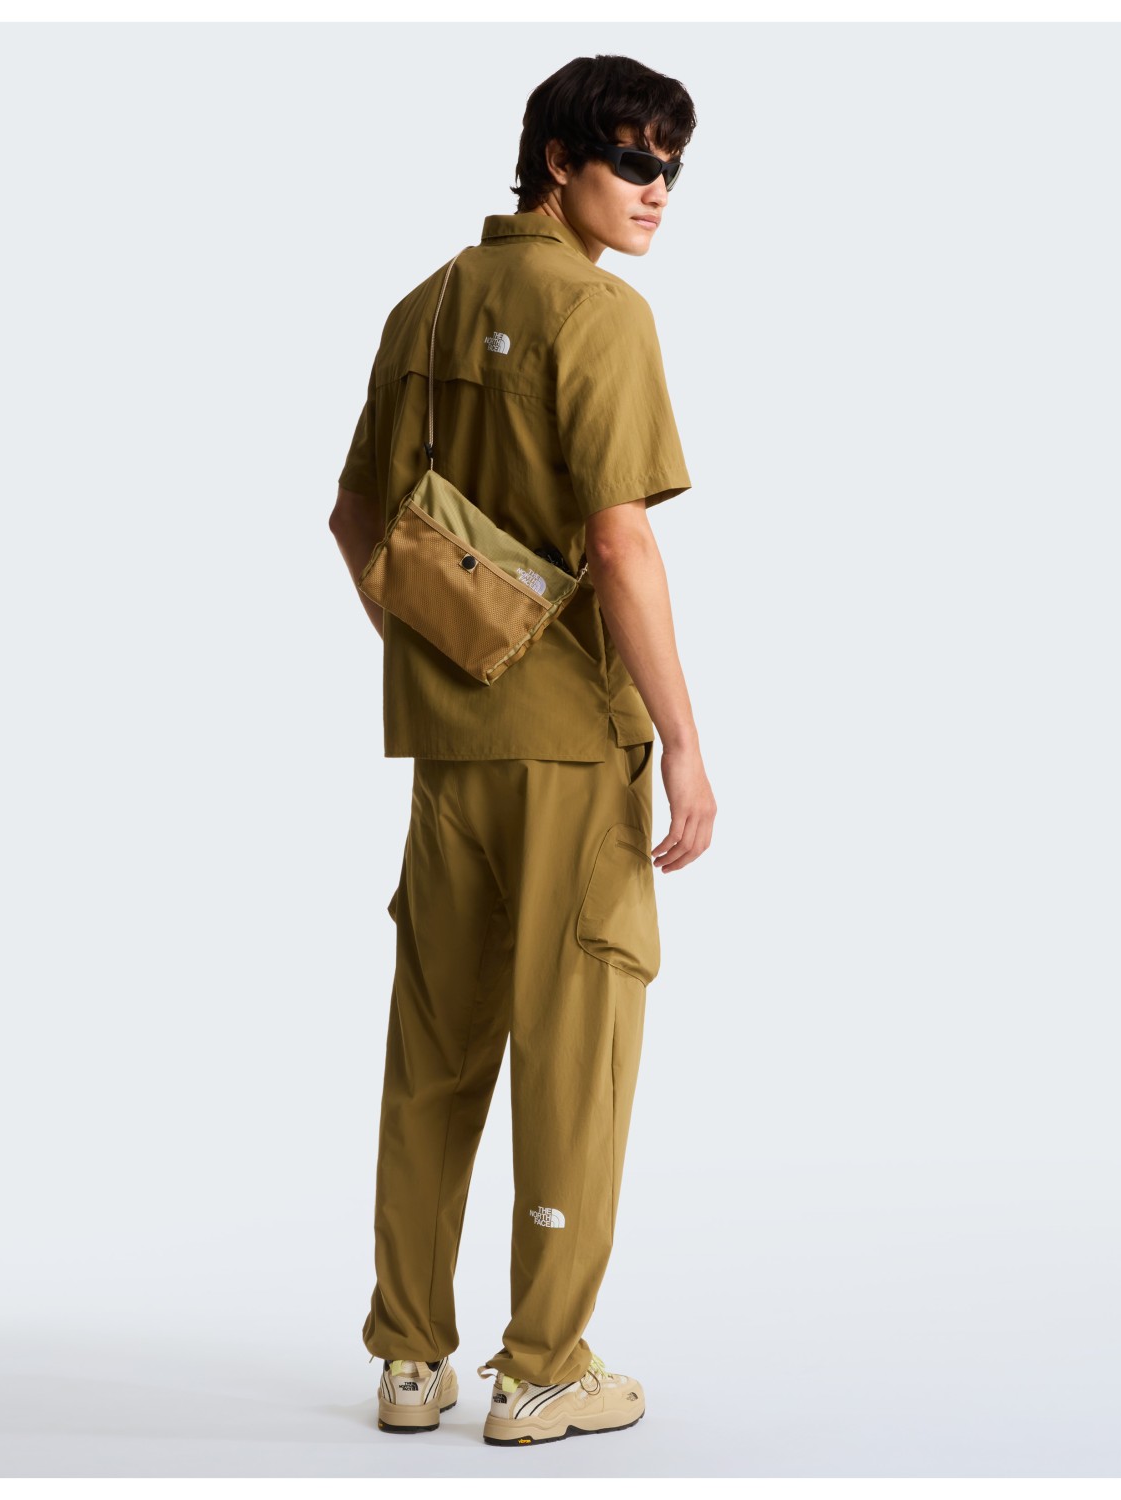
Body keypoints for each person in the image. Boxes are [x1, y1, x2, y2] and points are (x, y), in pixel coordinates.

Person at [327, 53, 716, 1448]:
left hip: (450, 745)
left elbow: (354, 520)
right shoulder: (598, 314)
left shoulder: (424, 305)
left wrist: (446, 639)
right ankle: (545, 1368)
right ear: (557, 159)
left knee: (435, 1045)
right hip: (569, 745)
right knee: (573, 1046)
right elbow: (620, 542)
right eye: (633, 160)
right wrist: (685, 744)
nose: (658, 190)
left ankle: (409, 1358)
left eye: (673, 166)